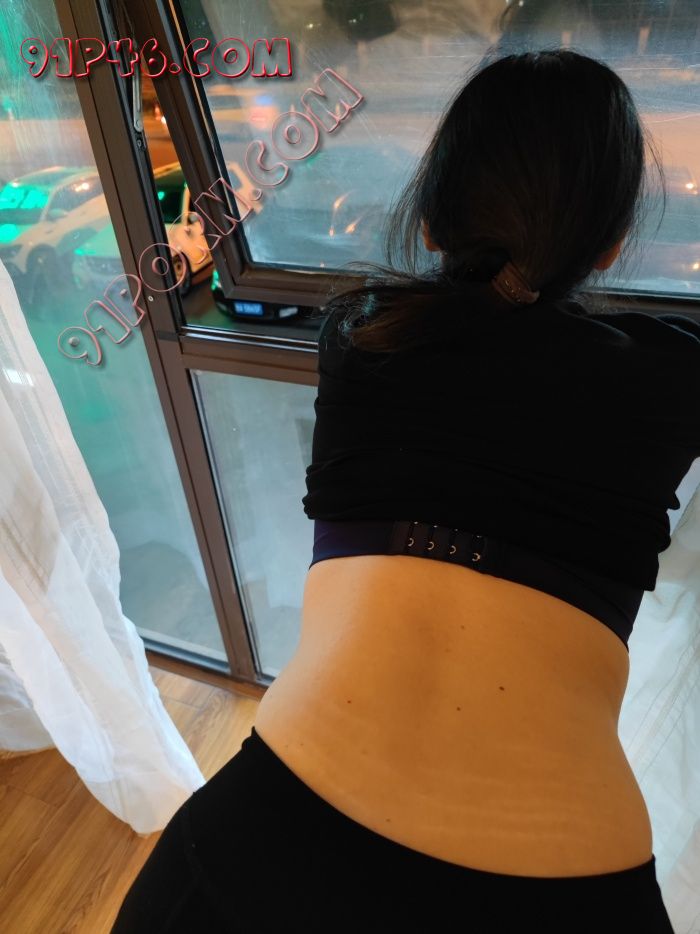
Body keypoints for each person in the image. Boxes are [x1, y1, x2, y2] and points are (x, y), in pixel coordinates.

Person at [112, 49, 699, 932]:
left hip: (258, 848)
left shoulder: (363, 336)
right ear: (614, 243)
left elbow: (491, 338)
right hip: (566, 878)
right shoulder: (673, 378)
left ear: (430, 222)